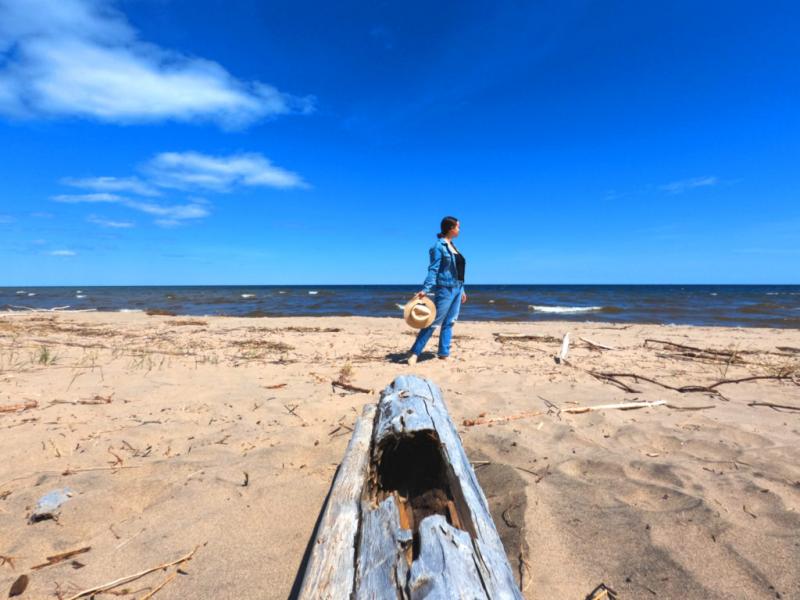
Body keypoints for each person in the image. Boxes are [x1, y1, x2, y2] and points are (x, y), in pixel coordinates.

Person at [408, 216, 467, 365]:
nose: (460, 229)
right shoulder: (438, 247)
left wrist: (463, 289)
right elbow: (433, 269)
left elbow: (458, 271)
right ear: (450, 228)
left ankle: (443, 353)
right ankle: (415, 352)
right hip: (445, 289)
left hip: (458, 288)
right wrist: (426, 289)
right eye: (458, 227)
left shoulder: (454, 247)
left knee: (450, 322)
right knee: (433, 322)